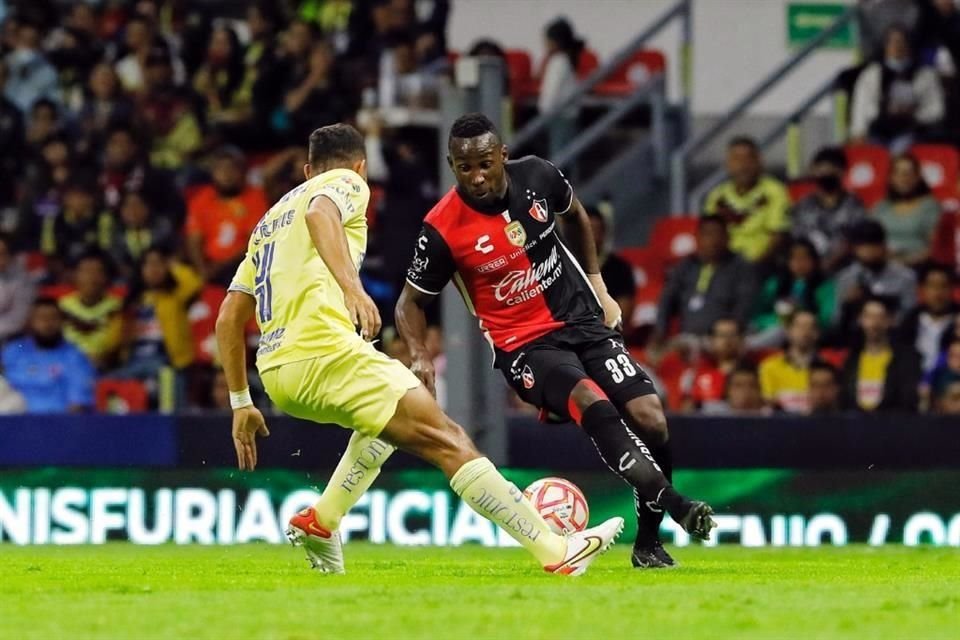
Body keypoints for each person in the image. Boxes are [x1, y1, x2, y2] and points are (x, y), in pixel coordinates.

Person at [216, 122, 628, 577]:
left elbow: (230, 315)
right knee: (448, 440)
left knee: (392, 418)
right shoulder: (343, 183)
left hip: (277, 373)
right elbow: (320, 213)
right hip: (324, 354)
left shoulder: (269, 222)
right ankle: (555, 550)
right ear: (360, 167)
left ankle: (322, 520)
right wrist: (353, 290)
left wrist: (240, 400)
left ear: (308, 167)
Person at [396, 113, 715, 570]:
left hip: (583, 319)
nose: (477, 176)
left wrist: (599, 286)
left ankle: (649, 545)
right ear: (452, 165)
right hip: (524, 345)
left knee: (652, 419)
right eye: (465, 168)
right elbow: (409, 303)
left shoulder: (538, 175)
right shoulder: (442, 228)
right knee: (592, 402)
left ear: (503, 155)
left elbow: (576, 216)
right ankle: (679, 506)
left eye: (486, 163)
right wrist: (421, 355)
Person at [654, 216, 757, 344]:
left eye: (718, 234)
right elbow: (666, 301)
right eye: (707, 234)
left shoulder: (741, 267)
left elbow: (744, 306)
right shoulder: (685, 266)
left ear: (727, 238)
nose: (713, 240)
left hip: (726, 340)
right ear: (697, 238)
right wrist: (660, 331)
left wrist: (727, 335)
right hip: (688, 338)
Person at [850, 25, 945, 152]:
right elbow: (860, 106)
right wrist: (859, 131)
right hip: (877, 129)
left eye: (901, 42)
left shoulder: (925, 75)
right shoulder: (872, 74)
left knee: (899, 149)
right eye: (892, 42)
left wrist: (914, 115)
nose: (897, 46)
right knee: (873, 152)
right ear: (885, 46)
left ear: (909, 45)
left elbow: (937, 109)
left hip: (912, 130)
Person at [185, 146, 268, 285]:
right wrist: (203, 269)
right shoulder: (201, 199)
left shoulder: (255, 197)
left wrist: (220, 267)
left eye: (232, 169)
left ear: (242, 172)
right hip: (208, 268)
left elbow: (255, 241)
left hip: (244, 266)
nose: (226, 174)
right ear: (213, 172)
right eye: (221, 169)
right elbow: (193, 239)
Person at [703, 137, 790, 265]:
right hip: (724, 266)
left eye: (748, 159)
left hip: (763, 265)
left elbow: (779, 236)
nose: (743, 166)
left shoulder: (775, 191)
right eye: (736, 159)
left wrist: (753, 266)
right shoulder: (716, 196)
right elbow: (709, 234)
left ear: (759, 162)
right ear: (728, 164)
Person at [1, 298, 95, 413]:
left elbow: (78, 404)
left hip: (56, 423)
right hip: (12, 421)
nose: (47, 323)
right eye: (41, 318)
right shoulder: (14, 351)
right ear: (31, 322)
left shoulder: (75, 357)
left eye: (53, 318)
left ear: (62, 322)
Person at [789, 146, 867, 273]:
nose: (825, 173)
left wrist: (830, 262)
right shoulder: (803, 206)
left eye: (831, 169)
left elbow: (854, 240)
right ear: (813, 170)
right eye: (821, 168)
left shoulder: (854, 205)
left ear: (842, 171)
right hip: (807, 270)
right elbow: (797, 237)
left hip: (844, 269)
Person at [834, 219, 917, 336]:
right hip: (856, 339)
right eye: (863, 247)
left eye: (873, 246)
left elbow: (910, 315)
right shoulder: (846, 277)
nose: (869, 252)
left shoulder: (905, 276)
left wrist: (884, 320)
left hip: (894, 337)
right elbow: (836, 321)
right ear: (855, 249)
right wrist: (847, 304)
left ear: (884, 246)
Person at [749, 239, 835, 350]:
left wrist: (802, 320)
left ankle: (750, 347)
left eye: (805, 258)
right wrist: (775, 321)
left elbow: (827, 317)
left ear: (814, 261)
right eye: (795, 259)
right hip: (774, 327)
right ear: (788, 261)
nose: (800, 263)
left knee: (784, 330)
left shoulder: (824, 286)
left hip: (807, 331)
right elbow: (759, 313)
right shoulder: (775, 283)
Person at [841, 297, 921, 412]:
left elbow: (907, 400)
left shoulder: (906, 359)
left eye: (880, 317)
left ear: (889, 321)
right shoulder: (851, 360)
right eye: (868, 316)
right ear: (860, 320)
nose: (874, 323)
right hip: (856, 425)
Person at [872, 153, 942, 268]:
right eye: (897, 173)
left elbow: (935, 247)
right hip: (882, 265)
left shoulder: (929, 206)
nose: (903, 178)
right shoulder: (882, 206)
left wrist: (906, 261)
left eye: (909, 173)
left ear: (918, 177)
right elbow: (869, 240)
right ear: (891, 177)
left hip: (916, 265)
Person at [59, 251, 123, 370]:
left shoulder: (118, 308)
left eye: (97, 272)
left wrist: (103, 359)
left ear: (106, 277)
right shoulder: (62, 307)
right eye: (86, 271)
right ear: (75, 275)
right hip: (66, 366)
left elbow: (119, 347)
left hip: (105, 368)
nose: (91, 277)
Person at [898, 263, 959, 374]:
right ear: (922, 289)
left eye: (944, 286)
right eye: (932, 286)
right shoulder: (909, 322)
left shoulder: (957, 321)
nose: (938, 293)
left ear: (952, 289)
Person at [758, 309, 822, 414]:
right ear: (789, 331)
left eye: (810, 327)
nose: (805, 332)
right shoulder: (768, 367)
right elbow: (768, 403)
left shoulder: (825, 370)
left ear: (817, 333)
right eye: (799, 326)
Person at [586, 206, 636, 334]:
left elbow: (623, 313)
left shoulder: (620, 268)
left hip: (607, 336)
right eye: (588, 229)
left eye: (596, 230)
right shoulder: (567, 265)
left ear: (604, 233)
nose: (592, 235)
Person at [539, 17, 583, 159]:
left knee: (559, 156)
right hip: (567, 115)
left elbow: (552, 91)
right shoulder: (566, 60)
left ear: (554, 41)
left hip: (559, 116)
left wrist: (544, 112)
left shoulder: (558, 62)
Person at [681, 318, 745, 413]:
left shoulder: (752, 374)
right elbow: (686, 409)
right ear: (711, 340)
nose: (727, 340)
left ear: (741, 339)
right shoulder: (695, 373)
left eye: (732, 335)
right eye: (721, 335)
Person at [0, 233, 36, 341]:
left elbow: (18, 320)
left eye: (2, 254)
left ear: (11, 256)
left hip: (9, 339)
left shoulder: (23, 280)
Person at [703, 363, 770, 416]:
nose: (746, 391)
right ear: (727, 391)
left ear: (760, 391)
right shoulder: (711, 415)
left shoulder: (770, 415)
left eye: (752, 386)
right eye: (738, 386)